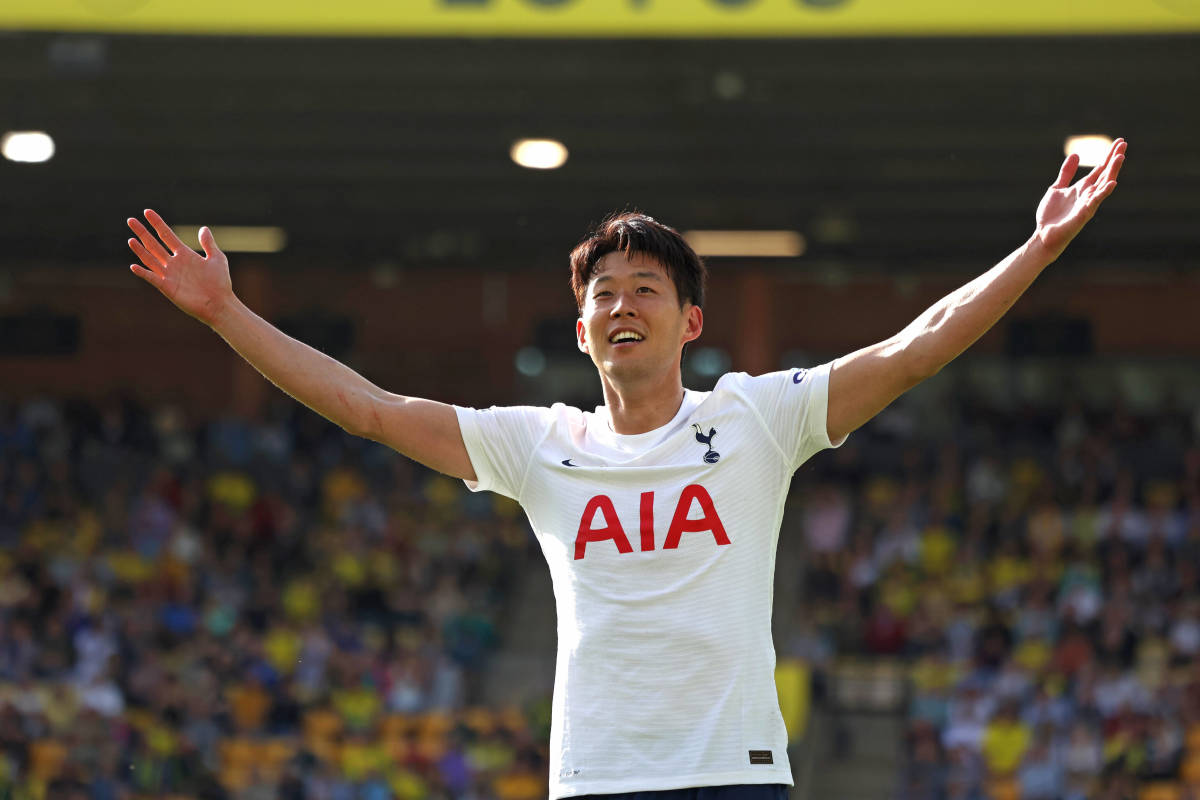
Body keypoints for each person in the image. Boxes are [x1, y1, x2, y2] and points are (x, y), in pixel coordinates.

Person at [125, 138, 1126, 799]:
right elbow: (369, 409)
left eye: (645, 287)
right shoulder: (539, 442)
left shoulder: (758, 418)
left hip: (736, 773)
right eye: (603, 291)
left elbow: (919, 346)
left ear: (690, 321)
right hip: (595, 777)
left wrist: (1034, 251)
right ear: (581, 325)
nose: (621, 304)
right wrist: (223, 313)